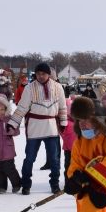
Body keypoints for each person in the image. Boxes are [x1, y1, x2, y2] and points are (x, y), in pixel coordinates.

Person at [8, 62, 68, 195]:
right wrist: (13, 123)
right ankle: (26, 185)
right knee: (29, 158)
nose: (41, 76)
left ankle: (55, 184)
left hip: (52, 127)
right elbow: (22, 107)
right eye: (38, 74)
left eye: (44, 74)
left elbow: (63, 107)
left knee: (54, 158)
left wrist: (63, 123)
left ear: (49, 74)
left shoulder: (58, 87)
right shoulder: (29, 88)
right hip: (34, 127)